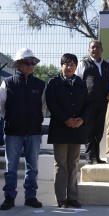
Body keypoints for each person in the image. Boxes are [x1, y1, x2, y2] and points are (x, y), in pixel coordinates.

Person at [0, 48, 45, 210]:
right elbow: (1, 107)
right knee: (11, 168)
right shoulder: (8, 82)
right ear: (18, 64)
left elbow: (42, 107)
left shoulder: (40, 84)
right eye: (27, 62)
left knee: (32, 168)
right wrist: (13, 119)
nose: (31, 65)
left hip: (33, 132)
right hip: (13, 132)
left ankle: (30, 197)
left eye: (33, 62)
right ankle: (9, 198)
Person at [46, 53, 89, 208]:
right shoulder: (53, 82)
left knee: (73, 163)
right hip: (60, 129)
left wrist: (82, 119)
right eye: (66, 64)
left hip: (77, 129)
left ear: (76, 67)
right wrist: (66, 119)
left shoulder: (81, 83)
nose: (69, 67)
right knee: (61, 164)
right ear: (61, 65)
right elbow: (52, 104)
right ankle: (61, 199)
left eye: (72, 64)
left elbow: (88, 104)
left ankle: (72, 197)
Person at [75, 40, 109, 164]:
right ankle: (89, 157)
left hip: (103, 102)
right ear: (89, 50)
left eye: (98, 47)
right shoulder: (83, 64)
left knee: (99, 130)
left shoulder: (107, 65)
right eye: (93, 47)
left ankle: (97, 157)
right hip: (88, 103)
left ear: (102, 50)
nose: (95, 49)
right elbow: (77, 81)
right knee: (89, 129)